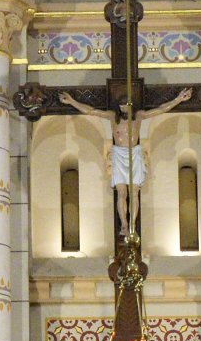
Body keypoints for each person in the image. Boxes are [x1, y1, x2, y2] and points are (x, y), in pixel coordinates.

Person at [57, 87, 193, 239]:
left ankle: (133, 224)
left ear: (131, 105)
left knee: (134, 192)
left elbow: (160, 110)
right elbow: (91, 111)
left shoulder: (139, 117)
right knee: (121, 192)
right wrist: (72, 101)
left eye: (125, 104)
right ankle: (124, 224)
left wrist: (179, 99)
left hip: (134, 154)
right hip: (119, 154)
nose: (123, 107)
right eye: (121, 105)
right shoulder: (112, 116)